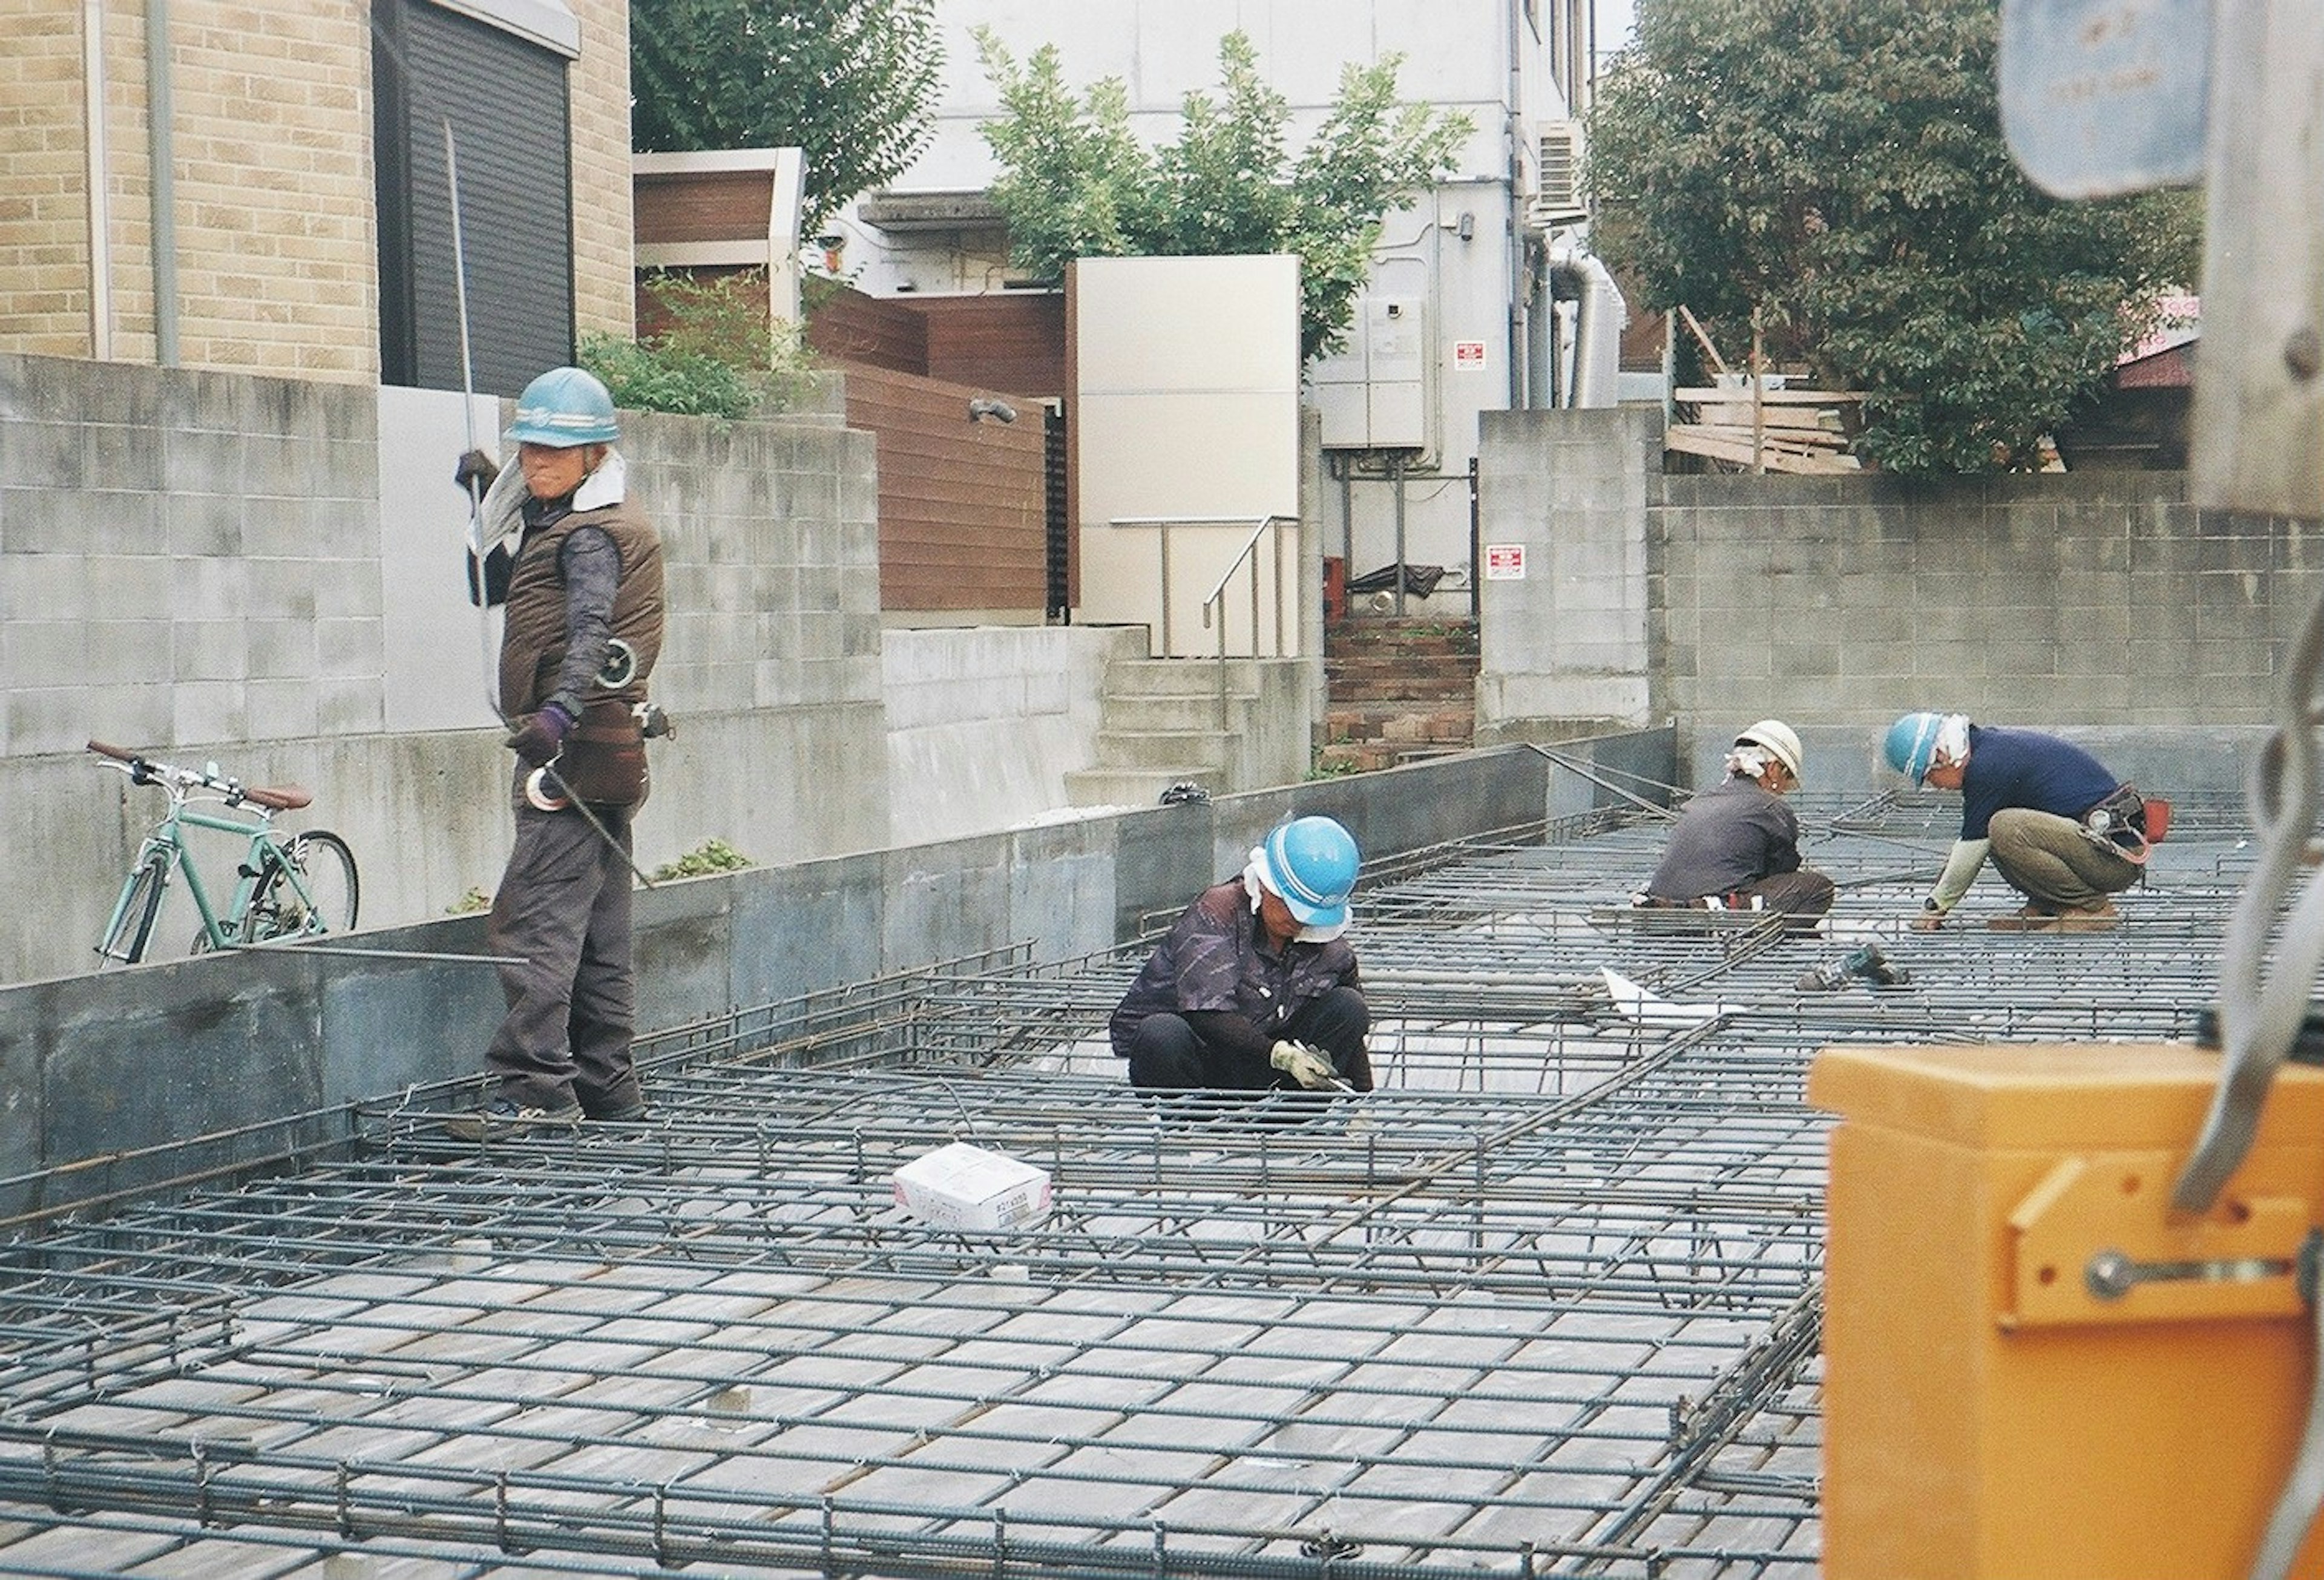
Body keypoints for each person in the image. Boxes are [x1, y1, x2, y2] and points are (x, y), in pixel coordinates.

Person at [450, 367, 666, 1133]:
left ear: (594, 454)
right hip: (607, 756)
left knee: (534, 921)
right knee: (600, 933)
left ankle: (534, 1091)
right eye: (529, 450)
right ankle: (609, 1091)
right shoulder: (568, 520)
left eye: (552, 453)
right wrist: (481, 508)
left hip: (570, 757)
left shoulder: (591, 537)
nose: (535, 463)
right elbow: (494, 591)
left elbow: (591, 636)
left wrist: (558, 717)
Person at [1111, 815, 1375, 1095]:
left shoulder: (1330, 948)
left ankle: (1284, 1128)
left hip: (1270, 1072)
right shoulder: (1217, 914)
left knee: (1349, 1005)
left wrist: (1363, 1101)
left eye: (1308, 916)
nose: (1298, 923)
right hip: (1204, 1062)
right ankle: (1192, 1132)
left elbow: (1351, 1029)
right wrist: (1280, 1055)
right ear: (1264, 885)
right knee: (1161, 1034)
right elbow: (1207, 1013)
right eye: (1291, 908)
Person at [1886, 711, 2148, 933]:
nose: (1935, 787)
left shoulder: (1987, 766)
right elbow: (1971, 842)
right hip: (2094, 849)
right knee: (1995, 827)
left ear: (1942, 757)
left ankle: (2093, 909)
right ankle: (2049, 906)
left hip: (2116, 860)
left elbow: (1971, 849)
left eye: (1930, 778)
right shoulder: (1990, 751)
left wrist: (1936, 906)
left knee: (2005, 827)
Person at [1638, 720, 1834, 928]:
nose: (1784, 789)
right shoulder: (1772, 808)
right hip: (1713, 915)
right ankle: (1763, 941)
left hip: (1656, 910)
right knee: (1818, 887)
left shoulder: (1701, 799)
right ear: (1774, 769)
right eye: (1787, 778)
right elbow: (1781, 871)